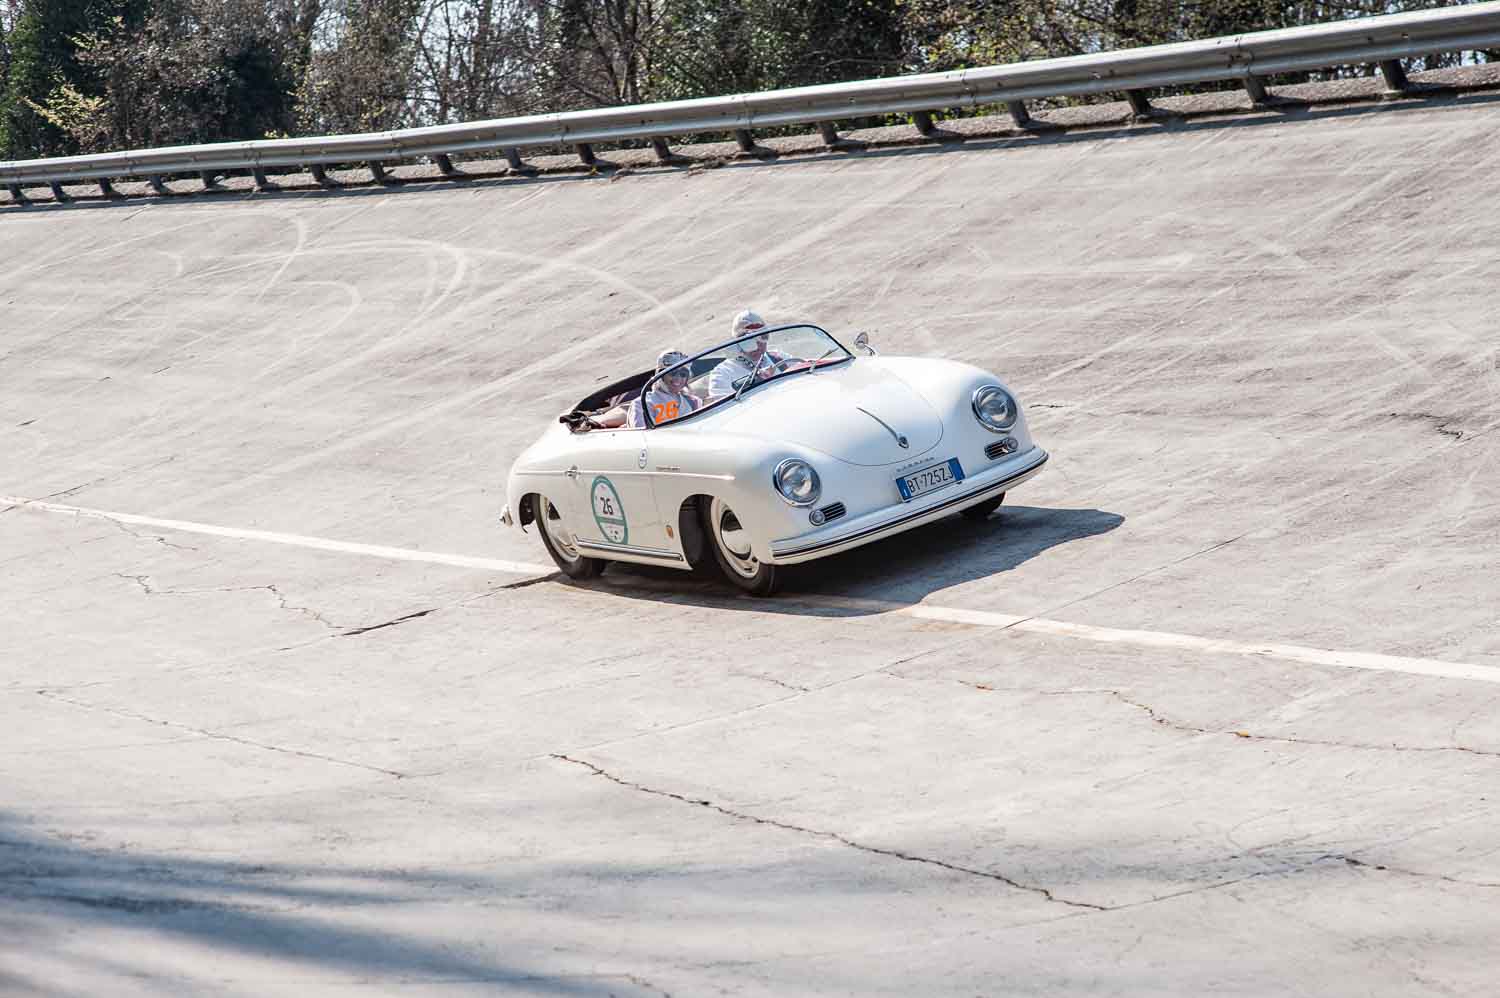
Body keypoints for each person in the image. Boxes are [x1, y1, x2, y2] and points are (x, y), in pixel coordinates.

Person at [706, 308, 786, 399]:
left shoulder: (779, 357)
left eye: (763, 337)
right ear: (737, 342)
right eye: (749, 341)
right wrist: (756, 381)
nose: (758, 345)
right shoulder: (722, 373)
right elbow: (723, 406)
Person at [628, 350, 702, 427]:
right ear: (660, 375)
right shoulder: (642, 404)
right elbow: (642, 436)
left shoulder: (694, 402)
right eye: (672, 372)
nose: (678, 378)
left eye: (683, 374)